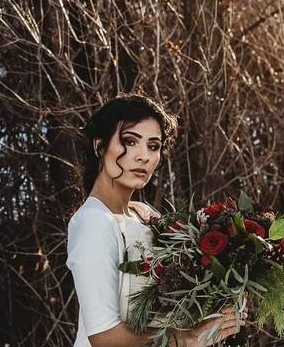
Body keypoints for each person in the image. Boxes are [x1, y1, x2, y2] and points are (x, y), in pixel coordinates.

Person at [67, 93, 247, 347]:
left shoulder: (146, 215)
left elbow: (173, 301)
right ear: (100, 146)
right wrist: (185, 341)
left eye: (153, 146)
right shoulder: (93, 222)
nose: (143, 156)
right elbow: (105, 339)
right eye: (130, 141)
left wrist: (226, 296)